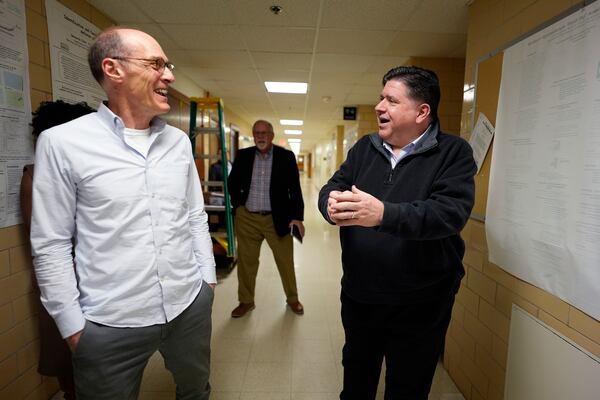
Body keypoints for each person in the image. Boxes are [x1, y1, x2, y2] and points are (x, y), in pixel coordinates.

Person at [30, 27, 216, 400]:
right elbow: (51, 244)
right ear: (113, 69)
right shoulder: (63, 144)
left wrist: (206, 284)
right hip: (108, 322)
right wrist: (73, 328)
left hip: (187, 306)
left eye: (168, 65)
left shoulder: (178, 143)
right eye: (156, 64)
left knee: (195, 391)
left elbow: (195, 217)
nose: (169, 76)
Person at [318, 66, 476, 400]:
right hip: (361, 295)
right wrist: (329, 203)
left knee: (407, 386)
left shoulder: (453, 153)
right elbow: (335, 184)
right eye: (381, 98)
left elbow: (448, 214)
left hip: (420, 301)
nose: (379, 107)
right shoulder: (366, 148)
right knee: (357, 379)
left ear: (422, 112)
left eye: (391, 100)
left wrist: (383, 214)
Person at [21, 100, 94, 400]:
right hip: (64, 281)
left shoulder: (92, 171)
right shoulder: (36, 176)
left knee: (102, 367)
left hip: (99, 280)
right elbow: (47, 242)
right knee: (71, 367)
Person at [228, 120, 305, 318]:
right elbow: (232, 183)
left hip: (276, 219)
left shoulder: (286, 157)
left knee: (285, 261)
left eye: (264, 133)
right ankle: (246, 301)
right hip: (248, 218)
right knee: (246, 262)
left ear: (271, 135)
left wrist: (297, 217)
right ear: (253, 136)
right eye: (257, 133)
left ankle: (293, 299)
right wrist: (238, 206)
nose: (261, 136)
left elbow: (294, 189)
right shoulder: (244, 156)